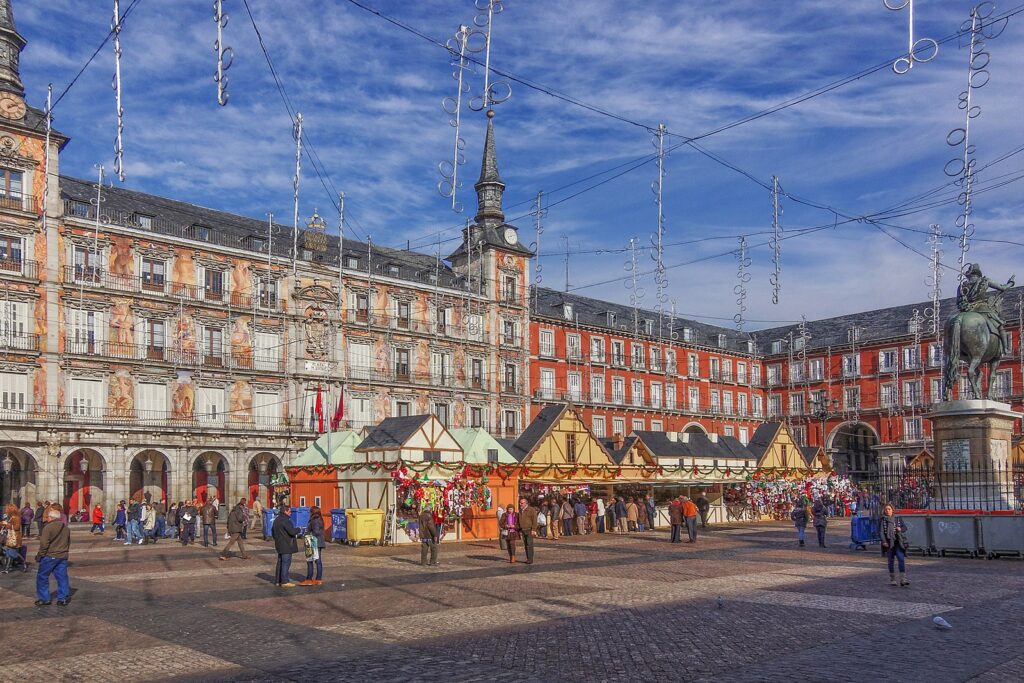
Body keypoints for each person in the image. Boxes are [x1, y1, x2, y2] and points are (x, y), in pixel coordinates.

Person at [35, 505, 71, 606]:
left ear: (51, 518)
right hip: (62, 556)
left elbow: (44, 544)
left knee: (42, 577)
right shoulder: (66, 528)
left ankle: (44, 598)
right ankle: (63, 598)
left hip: (50, 556)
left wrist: (39, 555)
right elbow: (68, 542)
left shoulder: (48, 528)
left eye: (48, 517)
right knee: (62, 577)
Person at [880, 503, 910, 587]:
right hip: (888, 542)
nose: (887, 511)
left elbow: (905, 528)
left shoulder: (898, 519)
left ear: (892, 510)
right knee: (891, 561)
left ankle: (903, 579)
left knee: (901, 559)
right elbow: (881, 532)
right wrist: (884, 541)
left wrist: (900, 529)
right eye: (886, 509)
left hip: (898, 541)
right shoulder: (883, 520)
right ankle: (892, 579)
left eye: (889, 509)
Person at [272, 505, 301, 587]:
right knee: (286, 563)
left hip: (279, 544)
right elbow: (291, 531)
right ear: (285, 511)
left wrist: (277, 540)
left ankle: (278, 581)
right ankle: (284, 581)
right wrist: (299, 529)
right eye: (289, 511)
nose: (291, 513)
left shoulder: (276, 520)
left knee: (280, 563)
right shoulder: (286, 521)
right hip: (287, 545)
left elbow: (273, 532)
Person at [300, 506, 325, 585]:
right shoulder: (319, 519)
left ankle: (311, 578)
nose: (309, 513)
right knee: (316, 561)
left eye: (310, 511)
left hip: (314, 542)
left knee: (312, 560)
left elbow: (316, 532)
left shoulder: (315, 520)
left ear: (312, 512)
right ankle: (316, 578)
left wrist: (307, 533)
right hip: (316, 542)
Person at [517, 498, 538, 564]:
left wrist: (534, 529)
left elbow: (534, 520)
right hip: (523, 530)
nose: (520, 504)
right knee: (525, 545)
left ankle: (530, 559)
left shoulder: (531, 510)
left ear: (526, 503)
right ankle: (528, 558)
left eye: (522, 503)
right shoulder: (520, 510)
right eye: (520, 503)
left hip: (529, 529)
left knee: (529, 544)